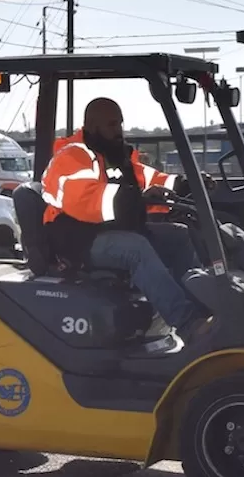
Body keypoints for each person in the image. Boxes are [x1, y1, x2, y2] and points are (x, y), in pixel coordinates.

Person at [41, 98, 215, 343]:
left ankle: (205, 314)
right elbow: (88, 202)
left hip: (109, 231)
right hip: (77, 239)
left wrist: (185, 184)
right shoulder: (72, 157)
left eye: (120, 124)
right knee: (135, 248)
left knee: (179, 236)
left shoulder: (112, 156)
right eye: (112, 124)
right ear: (91, 125)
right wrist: (138, 199)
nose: (118, 131)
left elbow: (146, 179)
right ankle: (187, 323)